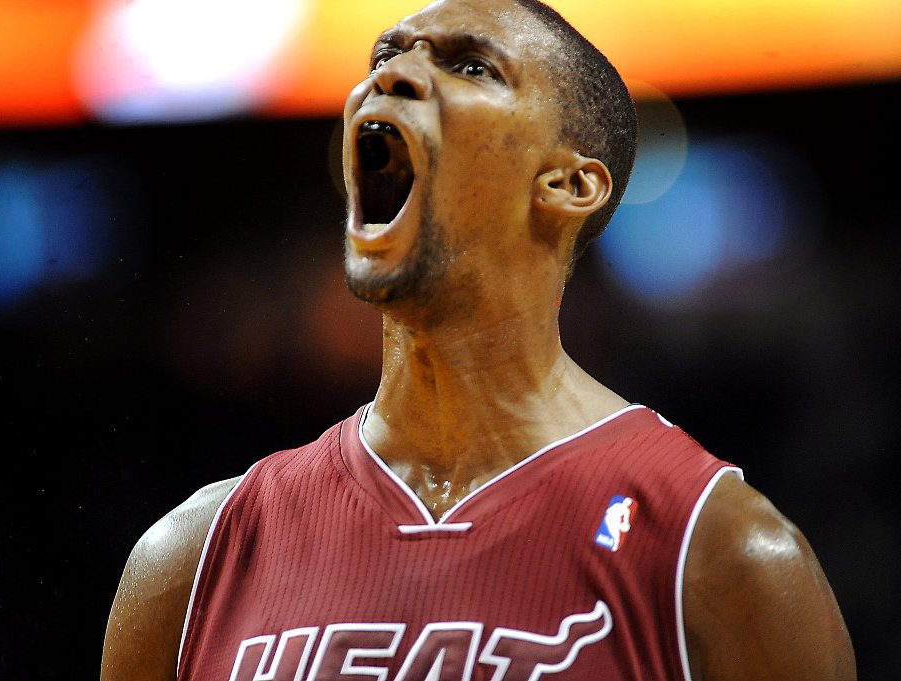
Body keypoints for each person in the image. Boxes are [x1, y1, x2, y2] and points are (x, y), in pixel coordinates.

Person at [101, 0, 856, 679]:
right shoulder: (194, 558)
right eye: (385, 56)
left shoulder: (719, 552)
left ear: (569, 185)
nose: (392, 76)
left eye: (470, 66)